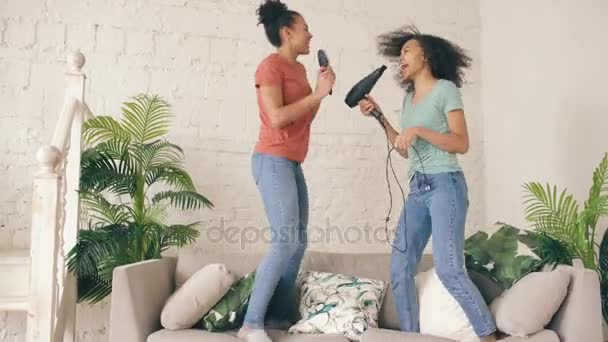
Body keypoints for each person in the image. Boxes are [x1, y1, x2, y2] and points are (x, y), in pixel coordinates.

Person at [358, 25, 497, 341]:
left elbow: (461, 143)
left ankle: (489, 336)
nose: (401, 57)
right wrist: (380, 117)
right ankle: (411, 337)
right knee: (399, 269)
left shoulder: (446, 90)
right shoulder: (409, 100)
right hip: (418, 189)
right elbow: (404, 148)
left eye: (407, 50)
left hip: (445, 185)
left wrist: (420, 131)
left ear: (427, 55)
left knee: (449, 269)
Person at [238, 1, 335, 342]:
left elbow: (301, 119)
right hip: (272, 159)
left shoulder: (299, 71)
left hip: (292, 162)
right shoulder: (270, 66)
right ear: (287, 32)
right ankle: (251, 324)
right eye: (305, 28)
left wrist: (320, 93)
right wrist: (317, 95)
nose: (310, 34)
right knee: (284, 240)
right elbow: (278, 117)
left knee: (297, 242)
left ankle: (278, 318)